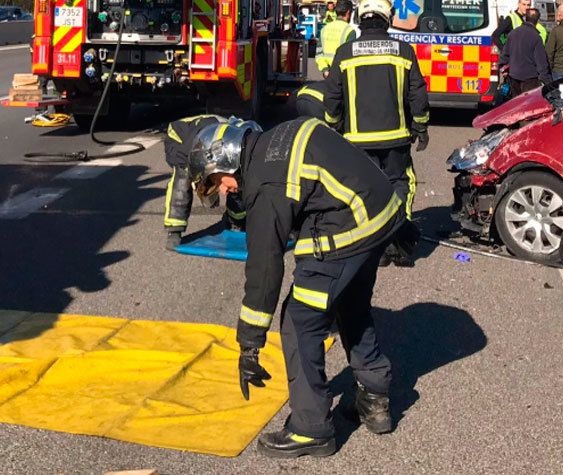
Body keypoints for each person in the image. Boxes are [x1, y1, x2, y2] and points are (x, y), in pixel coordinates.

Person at [187, 118, 404, 458]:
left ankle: (310, 429)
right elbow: (348, 163)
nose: (225, 190)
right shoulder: (278, 138)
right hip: (381, 213)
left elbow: (264, 267)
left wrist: (249, 344)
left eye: (218, 181)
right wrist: (399, 226)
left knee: (300, 319)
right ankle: (374, 401)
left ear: (227, 159)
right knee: (350, 304)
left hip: (351, 226)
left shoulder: (265, 183)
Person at [323, 0, 428, 267]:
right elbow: (417, 92)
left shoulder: (346, 53)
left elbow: (332, 96)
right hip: (396, 139)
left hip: (356, 143)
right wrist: (421, 125)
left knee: (366, 192)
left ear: (360, 18)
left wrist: (333, 126)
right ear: (387, 18)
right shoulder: (403, 51)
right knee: (401, 184)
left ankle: (375, 248)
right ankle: (401, 245)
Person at [162, 114, 246, 249]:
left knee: (235, 178)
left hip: (212, 136)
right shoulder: (195, 147)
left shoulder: (235, 142)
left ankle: (236, 221)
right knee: (183, 176)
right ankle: (175, 228)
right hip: (180, 138)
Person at [498, 17, 552, 98]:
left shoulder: (513, 33)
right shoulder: (536, 36)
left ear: (525, 18)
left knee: (515, 104)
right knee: (528, 106)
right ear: (537, 21)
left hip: (514, 76)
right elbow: (541, 62)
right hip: (530, 79)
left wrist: (502, 68)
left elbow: (505, 55)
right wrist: (546, 81)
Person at [315, 0, 357, 77]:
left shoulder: (324, 29)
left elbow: (319, 54)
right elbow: (350, 57)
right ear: (348, 13)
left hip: (327, 74)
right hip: (342, 74)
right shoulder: (350, 31)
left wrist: (325, 70)